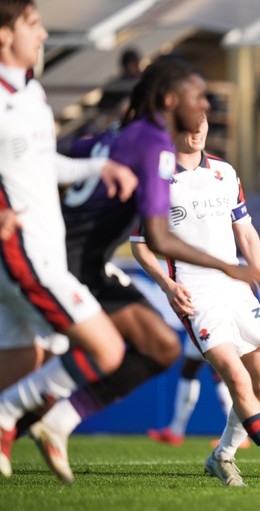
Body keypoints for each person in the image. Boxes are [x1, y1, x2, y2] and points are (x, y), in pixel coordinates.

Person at [7, 56, 259, 484]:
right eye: (197, 97)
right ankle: (19, 416)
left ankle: (55, 422)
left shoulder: (110, 137)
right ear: (169, 99)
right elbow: (158, 238)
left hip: (77, 257)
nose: (205, 106)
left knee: (158, 347)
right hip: (67, 261)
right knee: (73, 355)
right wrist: (227, 266)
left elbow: (51, 165)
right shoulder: (155, 145)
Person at [132, 115, 260, 488]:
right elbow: (141, 246)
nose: (198, 128)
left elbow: (246, 232)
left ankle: (222, 455)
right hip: (195, 290)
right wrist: (167, 286)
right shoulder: (157, 178)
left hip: (235, 285)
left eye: (202, 121)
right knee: (236, 378)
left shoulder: (225, 171)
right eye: (189, 123)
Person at [0, 0, 139, 478]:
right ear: (4, 34)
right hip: (23, 254)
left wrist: (99, 166)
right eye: (33, 25)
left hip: (40, 251)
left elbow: (44, 164)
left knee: (29, 362)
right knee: (109, 349)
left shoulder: (31, 94)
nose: (42, 35)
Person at [146, 333, 250, 449]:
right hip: (202, 322)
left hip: (209, 322)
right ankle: (176, 431)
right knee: (191, 369)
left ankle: (238, 436)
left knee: (216, 369)